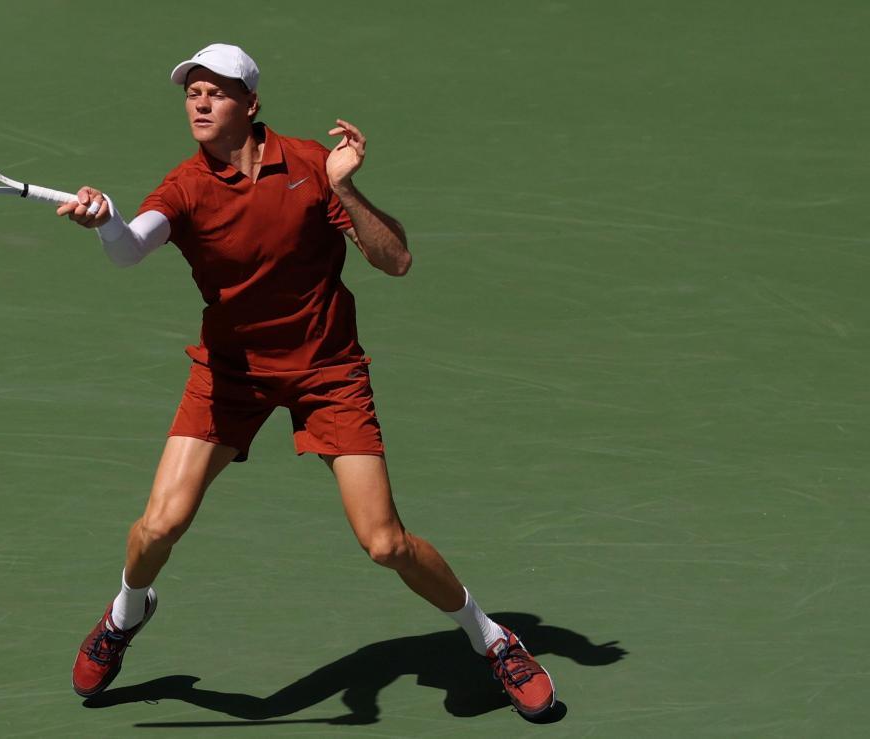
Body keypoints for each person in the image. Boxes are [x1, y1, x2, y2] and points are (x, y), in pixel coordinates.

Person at [55, 43, 555, 720]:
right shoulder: (186, 185)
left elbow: (396, 261)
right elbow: (130, 248)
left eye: (216, 91)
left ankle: (492, 639)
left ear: (251, 103)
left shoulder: (314, 165)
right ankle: (126, 613)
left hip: (328, 371)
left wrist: (344, 187)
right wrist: (107, 220)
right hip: (231, 373)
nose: (200, 102)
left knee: (386, 543)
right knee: (157, 527)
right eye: (192, 92)